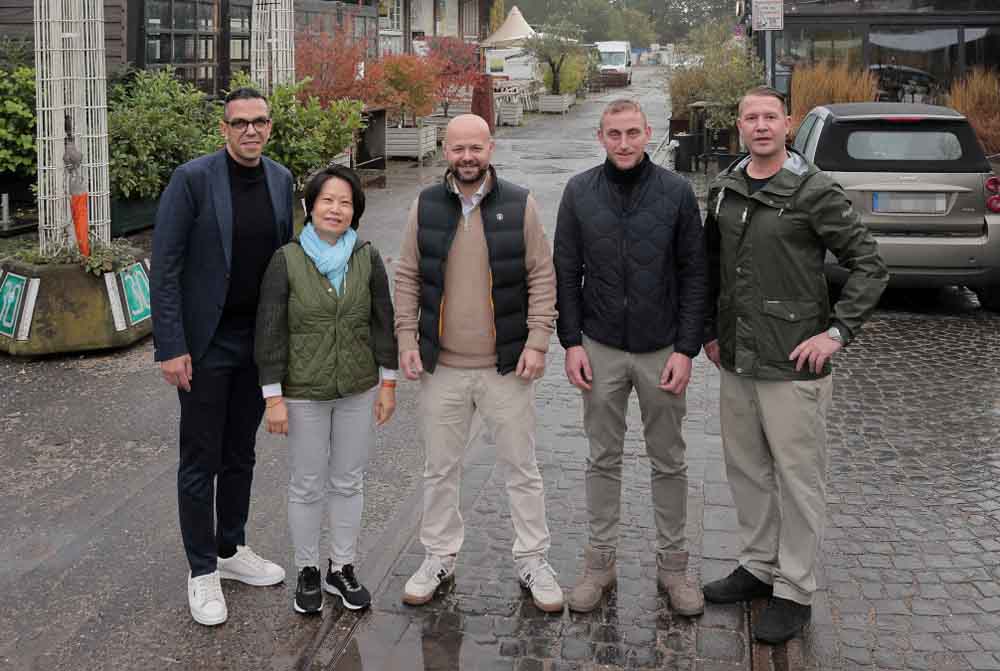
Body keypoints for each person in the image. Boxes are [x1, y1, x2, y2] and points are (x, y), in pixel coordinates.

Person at [701, 86, 887, 643]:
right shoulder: (725, 190)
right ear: (739, 126)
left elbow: (870, 266)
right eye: (750, 118)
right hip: (737, 357)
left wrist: (836, 333)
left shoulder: (813, 191)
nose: (761, 126)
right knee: (746, 468)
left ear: (789, 124)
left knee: (798, 479)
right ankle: (758, 566)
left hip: (793, 362)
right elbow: (713, 269)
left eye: (770, 117)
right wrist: (711, 331)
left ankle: (795, 588)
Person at [393, 113, 563, 612]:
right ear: (445, 151)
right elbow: (406, 276)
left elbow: (542, 275)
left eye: (476, 147)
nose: (467, 157)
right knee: (440, 470)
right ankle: (438, 557)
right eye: (457, 148)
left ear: (491, 148)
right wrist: (407, 338)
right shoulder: (425, 206)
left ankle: (533, 559)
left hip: (505, 366)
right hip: (441, 367)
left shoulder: (519, 203)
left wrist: (537, 340)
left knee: (521, 469)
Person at [554, 99, 708, 616]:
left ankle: (673, 566)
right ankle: (600, 563)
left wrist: (686, 349)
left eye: (632, 133)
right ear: (600, 137)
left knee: (669, 460)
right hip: (600, 346)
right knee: (602, 458)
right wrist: (571, 341)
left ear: (648, 134)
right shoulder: (579, 193)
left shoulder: (677, 193)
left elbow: (694, 275)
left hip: (661, 347)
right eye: (614, 134)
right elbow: (566, 271)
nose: (623, 143)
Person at [151, 87, 293, 626]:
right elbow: (164, 267)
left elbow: (285, 266)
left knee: (241, 454)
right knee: (200, 459)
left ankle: (232, 550)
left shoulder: (281, 180)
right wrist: (171, 345)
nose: (250, 131)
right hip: (206, 343)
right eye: (240, 123)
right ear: (224, 129)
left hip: (257, 343)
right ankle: (202, 570)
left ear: (270, 127)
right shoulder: (193, 180)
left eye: (259, 122)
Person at [254, 165, 398, 615]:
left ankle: (342, 567)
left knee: (349, 480)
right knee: (307, 484)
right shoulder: (287, 259)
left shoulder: (367, 257)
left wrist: (387, 384)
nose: (335, 209)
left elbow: (382, 322)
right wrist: (273, 397)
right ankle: (308, 570)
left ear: (355, 211)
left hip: (356, 387)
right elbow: (270, 331)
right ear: (310, 206)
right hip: (302, 392)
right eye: (327, 200)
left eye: (345, 203)